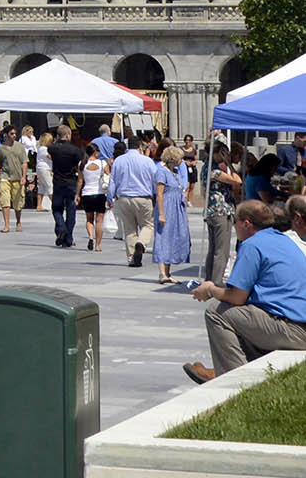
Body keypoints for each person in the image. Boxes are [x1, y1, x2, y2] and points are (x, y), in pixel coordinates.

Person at [183, 201, 306, 383]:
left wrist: (209, 289)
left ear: (246, 223)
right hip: (297, 325)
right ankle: (235, 368)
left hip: (292, 330)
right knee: (242, 314)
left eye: (234, 221)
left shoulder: (252, 245)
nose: (234, 226)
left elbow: (237, 297)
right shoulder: (283, 239)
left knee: (217, 311)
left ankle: (235, 380)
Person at [109, 134, 159, 267]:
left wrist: (110, 197)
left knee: (129, 229)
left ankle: (132, 257)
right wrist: (156, 195)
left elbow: (112, 180)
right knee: (148, 225)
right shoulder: (147, 161)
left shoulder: (119, 160)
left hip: (124, 198)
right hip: (143, 197)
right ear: (139, 146)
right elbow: (155, 179)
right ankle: (141, 243)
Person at [204, 142, 246, 282]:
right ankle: (216, 281)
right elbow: (238, 181)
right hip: (221, 211)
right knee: (222, 250)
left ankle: (210, 279)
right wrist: (229, 164)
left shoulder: (206, 167)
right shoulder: (214, 171)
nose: (226, 156)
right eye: (223, 153)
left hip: (212, 211)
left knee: (214, 248)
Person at [154, 145, 193, 283]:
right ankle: (162, 273)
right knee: (163, 237)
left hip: (177, 209)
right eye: (179, 158)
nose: (181, 161)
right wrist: (161, 214)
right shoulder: (161, 172)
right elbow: (159, 194)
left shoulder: (175, 173)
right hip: (167, 207)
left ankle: (168, 272)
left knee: (174, 238)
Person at [46, 126, 83, 248]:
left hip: (58, 182)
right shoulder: (75, 150)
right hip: (71, 182)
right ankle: (68, 238)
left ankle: (61, 228)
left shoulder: (52, 148)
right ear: (67, 135)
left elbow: (49, 151)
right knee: (71, 211)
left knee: (57, 208)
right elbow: (80, 164)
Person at [80, 143, 110, 252]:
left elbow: (80, 181)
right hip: (99, 193)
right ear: (95, 152)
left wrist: (76, 194)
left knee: (89, 219)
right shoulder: (102, 163)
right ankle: (98, 245)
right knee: (99, 221)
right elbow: (108, 176)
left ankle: (91, 237)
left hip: (86, 193)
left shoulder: (82, 164)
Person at [0, 126, 27, 233]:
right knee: (5, 201)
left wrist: (24, 176)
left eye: (15, 133)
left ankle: (18, 221)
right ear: (6, 134)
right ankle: (6, 225)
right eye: (11, 133)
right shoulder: (1, 148)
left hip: (17, 177)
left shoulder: (20, 147)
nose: (14, 135)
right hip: (5, 176)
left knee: (17, 202)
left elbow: (24, 163)